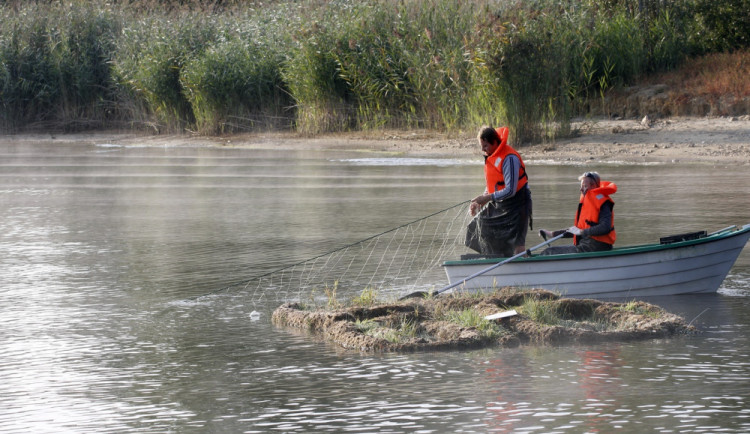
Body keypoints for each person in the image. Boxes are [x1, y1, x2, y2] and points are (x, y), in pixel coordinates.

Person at [465, 126, 532, 257]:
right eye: (481, 146)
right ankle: (498, 260)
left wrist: (487, 198)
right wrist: (480, 202)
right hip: (500, 203)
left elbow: (510, 190)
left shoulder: (509, 158)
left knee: (517, 246)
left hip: (519, 204)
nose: (483, 150)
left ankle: (522, 269)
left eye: (485, 146)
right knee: (474, 229)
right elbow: (492, 185)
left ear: (494, 142)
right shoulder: (491, 157)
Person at [539, 171, 616, 255]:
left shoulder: (603, 203)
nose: (581, 189)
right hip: (588, 245)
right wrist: (552, 234)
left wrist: (582, 232)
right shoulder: (589, 202)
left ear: (593, 185)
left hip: (596, 246)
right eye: (581, 186)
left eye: (584, 186)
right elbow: (578, 230)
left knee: (549, 251)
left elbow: (605, 227)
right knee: (550, 250)